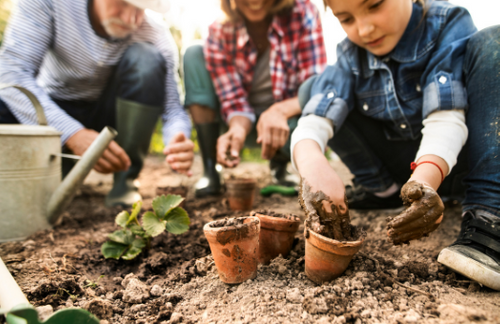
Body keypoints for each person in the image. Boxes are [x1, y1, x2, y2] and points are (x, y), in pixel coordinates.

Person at [292, 0, 500, 290]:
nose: (364, 29)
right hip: (405, 170)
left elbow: (446, 119)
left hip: (461, 162)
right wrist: (313, 166)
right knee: (311, 90)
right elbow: (314, 122)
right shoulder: (350, 55)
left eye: (374, 5)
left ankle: (489, 215)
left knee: (495, 41)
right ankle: (384, 192)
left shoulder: (447, 24)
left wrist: (424, 181)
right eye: (346, 18)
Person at [0, 0, 194, 207]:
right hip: (54, 111)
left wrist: (177, 138)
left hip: (110, 118)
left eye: (140, 9)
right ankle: (51, 169)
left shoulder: (155, 34)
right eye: (122, 3)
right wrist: (72, 134)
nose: (131, 19)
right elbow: (12, 73)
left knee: (146, 59)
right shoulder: (49, 3)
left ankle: (125, 180)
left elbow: (173, 109)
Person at [183, 0, 327, 197]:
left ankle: (280, 164)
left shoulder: (303, 13)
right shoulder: (219, 30)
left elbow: (314, 88)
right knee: (194, 53)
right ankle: (210, 167)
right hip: (242, 124)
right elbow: (233, 100)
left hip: (287, 123)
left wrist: (279, 112)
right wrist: (238, 128)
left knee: (318, 116)